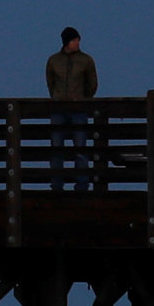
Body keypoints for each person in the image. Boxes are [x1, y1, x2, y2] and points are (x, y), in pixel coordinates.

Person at [45, 27, 98, 191]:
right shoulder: (53, 60)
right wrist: (57, 98)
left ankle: (82, 184)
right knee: (56, 147)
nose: (78, 43)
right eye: (75, 40)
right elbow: (50, 82)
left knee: (80, 147)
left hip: (79, 109)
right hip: (58, 108)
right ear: (67, 42)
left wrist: (83, 99)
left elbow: (92, 84)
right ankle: (56, 184)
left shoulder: (86, 60)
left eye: (78, 40)